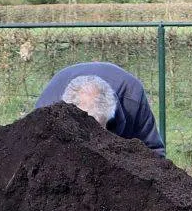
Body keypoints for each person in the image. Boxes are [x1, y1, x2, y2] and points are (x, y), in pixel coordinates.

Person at [34, 62, 163, 153]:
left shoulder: (132, 98)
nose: (94, 138)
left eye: (99, 129)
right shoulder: (47, 109)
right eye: (85, 128)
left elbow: (152, 152)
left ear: (111, 114)